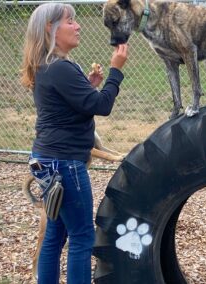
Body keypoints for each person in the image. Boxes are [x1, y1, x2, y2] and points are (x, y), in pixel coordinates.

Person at [20, 3, 128, 283]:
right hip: (65, 164)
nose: (78, 26)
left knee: (55, 236)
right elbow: (101, 106)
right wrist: (116, 71)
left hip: (46, 160)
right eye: (70, 21)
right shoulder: (60, 68)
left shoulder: (49, 65)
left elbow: (69, 105)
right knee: (82, 237)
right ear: (50, 28)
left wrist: (88, 85)